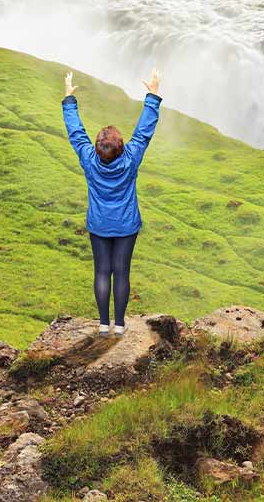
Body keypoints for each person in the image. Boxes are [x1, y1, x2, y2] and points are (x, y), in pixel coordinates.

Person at [62, 67, 161, 336]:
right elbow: (144, 132)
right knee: (122, 272)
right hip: (127, 225)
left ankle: (103, 325)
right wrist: (152, 95)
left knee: (102, 272)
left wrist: (69, 100)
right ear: (121, 147)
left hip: (99, 225)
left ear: (97, 149)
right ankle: (119, 325)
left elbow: (76, 133)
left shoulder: (88, 159)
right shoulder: (130, 158)